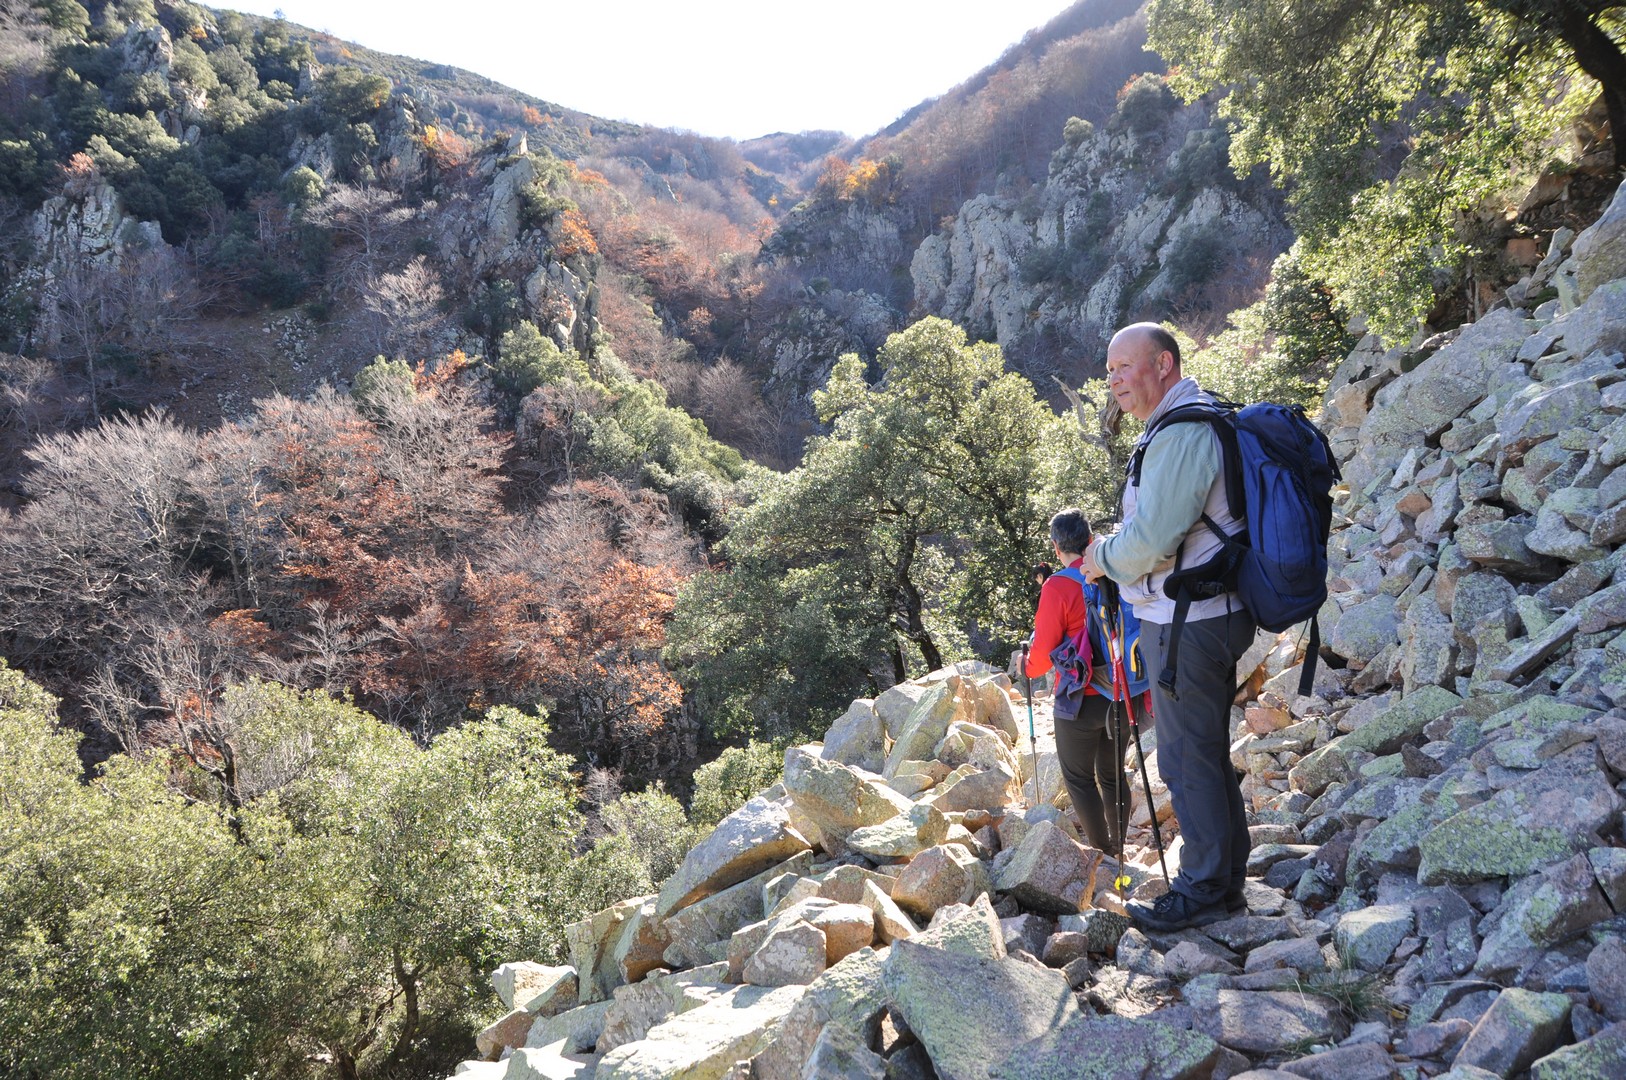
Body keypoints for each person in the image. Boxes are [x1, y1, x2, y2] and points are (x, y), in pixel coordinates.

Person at [1081, 322, 1256, 932]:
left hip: (1189, 622)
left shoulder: (1181, 433)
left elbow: (1153, 543)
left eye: (1125, 367)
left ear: (1164, 364)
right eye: (1109, 370)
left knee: (1184, 759)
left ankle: (1203, 889)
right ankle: (1224, 880)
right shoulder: (1185, 423)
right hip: (1204, 613)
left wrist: (1100, 557)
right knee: (1202, 751)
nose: (1114, 380)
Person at [1015, 509, 1137, 854]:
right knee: (1113, 775)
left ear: (1056, 547)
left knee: (1079, 779)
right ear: (1090, 540)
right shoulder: (1114, 573)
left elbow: (1042, 655)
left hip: (1079, 698)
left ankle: (1103, 852)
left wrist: (1026, 668)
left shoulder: (1056, 586)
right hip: (1119, 691)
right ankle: (1120, 847)